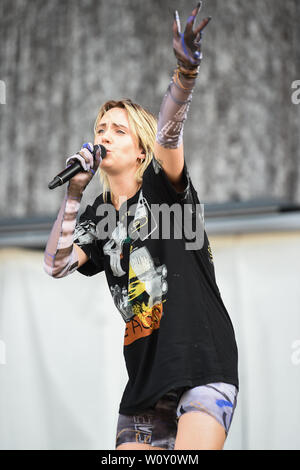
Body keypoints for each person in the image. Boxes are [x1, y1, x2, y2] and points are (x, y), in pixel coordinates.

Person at [44, 2, 239, 451]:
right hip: (144, 387)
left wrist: (184, 75)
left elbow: (170, 133)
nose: (104, 136)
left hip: (202, 365)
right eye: (101, 128)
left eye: (118, 130)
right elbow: (55, 264)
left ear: (139, 150)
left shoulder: (162, 184)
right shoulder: (95, 214)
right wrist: (74, 194)